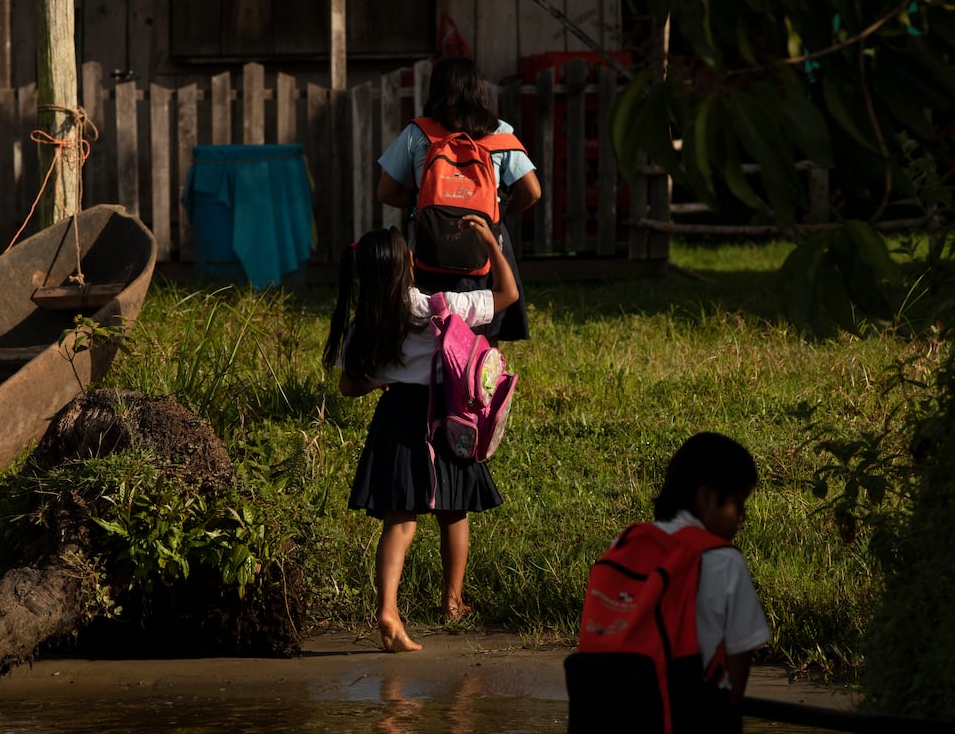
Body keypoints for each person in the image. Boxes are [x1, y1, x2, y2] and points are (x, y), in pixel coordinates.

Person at [322, 220, 518, 653]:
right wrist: (489, 242)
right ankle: (453, 601)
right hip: (446, 418)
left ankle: (388, 609)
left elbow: (348, 386)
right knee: (455, 508)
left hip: (396, 419)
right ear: (408, 263)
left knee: (400, 521)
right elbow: (508, 294)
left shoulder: (366, 321)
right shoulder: (437, 304)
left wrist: (385, 379)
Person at [565, 431, 771, 733]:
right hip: (683, 714)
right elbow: (739, 658)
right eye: (738, 503)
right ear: (706, 498)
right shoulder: (724, 559)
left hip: (610, 712)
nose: (742, 516)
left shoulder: (623, 543)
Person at [376, 56, 540, 342]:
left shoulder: (418, 133)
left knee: (431, 329)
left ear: (435, 90)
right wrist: (500, 210)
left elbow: (385, 191)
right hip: (485, 244)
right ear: (479, 89)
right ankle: (480, 380)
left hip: (432, 245)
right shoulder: (499, 132)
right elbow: (532, 191)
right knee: (486, 329)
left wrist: (421, 201)